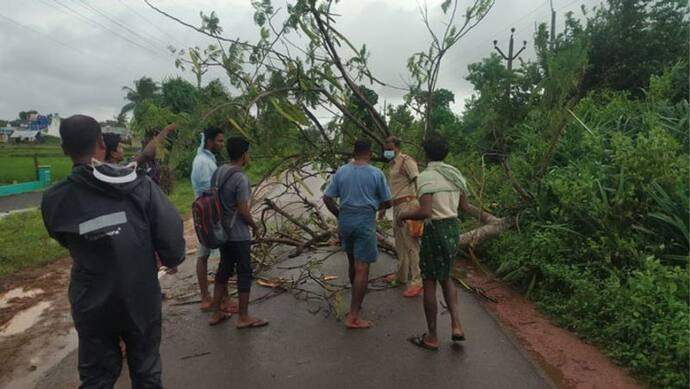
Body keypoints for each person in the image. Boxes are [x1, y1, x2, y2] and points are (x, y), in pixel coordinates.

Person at [41, 115, 185, 387]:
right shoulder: (141, 186)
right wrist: (170, 258)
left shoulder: (55, 198)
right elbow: (172, 234)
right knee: (146, 372)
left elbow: (62, 237)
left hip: (92, 302)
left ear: (63, 148)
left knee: (97, 378)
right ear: (101, 143)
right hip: (140, 299)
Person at [397, 133, 467, 350]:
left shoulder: (427, 177)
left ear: (426, 153)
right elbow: (463, 207)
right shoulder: (455, 174)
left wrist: (404, 215)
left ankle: (433, 337)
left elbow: (426, 211)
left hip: (435, 230)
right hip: (453, 229)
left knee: (429, 280)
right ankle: (456, 326)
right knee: (446, 277)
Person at [323, 138, 392, 329]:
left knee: (352, 261)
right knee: (363, 267)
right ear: (369, 153)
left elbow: (327, 198)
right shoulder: (376, 173)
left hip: (345, 220)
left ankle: (356, 301)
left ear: (354, 153)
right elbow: (388, 202)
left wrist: (339, 214)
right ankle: (353, 316)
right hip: (364, 221)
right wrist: (378, 206)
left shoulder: (342, 171)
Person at [208, 136, 268, 329]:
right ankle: (243, 317)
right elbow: (243, 210)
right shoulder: (240, 178)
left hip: (222, 233)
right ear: (244, 155)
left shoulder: (218, 172)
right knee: (244, 273)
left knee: (223, 270)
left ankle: (216, 312)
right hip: (238, 235)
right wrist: (255, 226)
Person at [190, 126, 237, 314]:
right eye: (219, 140)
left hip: (209, 213)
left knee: (206, 253)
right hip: (209, 214)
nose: (221, 144)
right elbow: (208, 189)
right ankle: (215, 298)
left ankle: (213, 297)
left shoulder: (208, 159)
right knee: (214, 254)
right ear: (209, 141)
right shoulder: (202, 161)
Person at [380, 135, 423, 298]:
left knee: (411, 244)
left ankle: (417, 281)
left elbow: (418, 181)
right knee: (400, 243)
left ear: (397, 148)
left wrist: (420, 208)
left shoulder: (406, 161)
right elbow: (393, 188)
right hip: (397, 206)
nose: (387, 152)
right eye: (386, 149)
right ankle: (401, 275)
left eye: (390, 149)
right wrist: (384, 207)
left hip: (408, 205)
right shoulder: (392, 164)